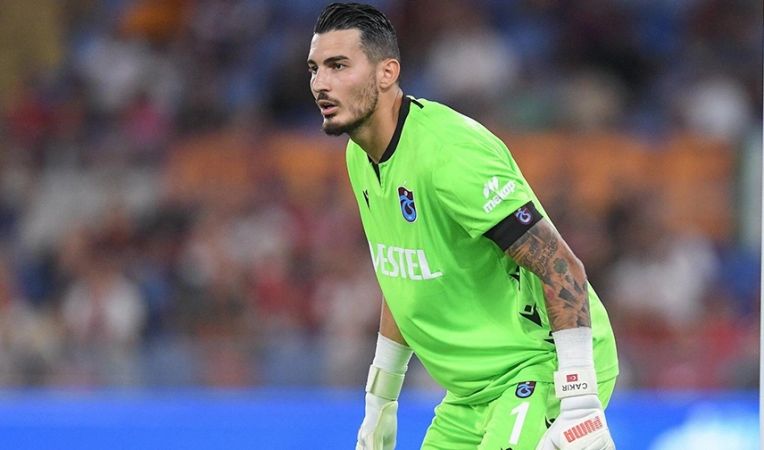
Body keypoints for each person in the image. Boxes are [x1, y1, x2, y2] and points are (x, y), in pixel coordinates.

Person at [307, 3, 618, 449]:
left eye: (338, 66)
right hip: (472, 392)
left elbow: (561, 265)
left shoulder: (450, 154)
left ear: (386, 72)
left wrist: (580, 399)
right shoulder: (360, 156)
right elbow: (402, 278)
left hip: (539, 366)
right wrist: (380, 404)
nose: (321, 83)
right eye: (315, 68)